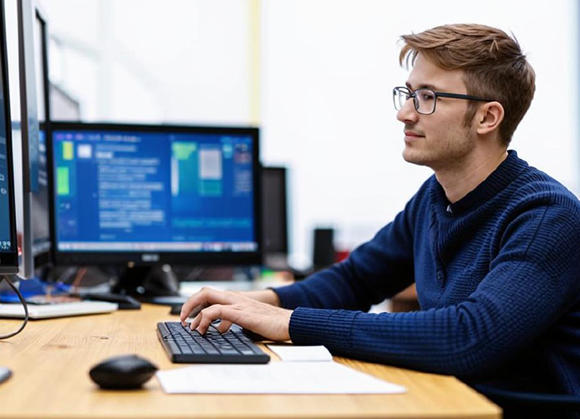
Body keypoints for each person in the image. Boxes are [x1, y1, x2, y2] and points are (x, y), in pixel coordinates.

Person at [180, 24, 580, 402]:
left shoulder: (546, 215)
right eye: (408, 94)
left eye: (428, 97)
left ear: (487, 117)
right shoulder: (434, 197)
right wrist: (251, 302)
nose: (405, 113)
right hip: (446, 402)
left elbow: (470, 337)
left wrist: (286, 322)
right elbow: (356, 280)